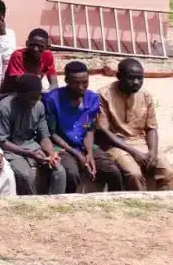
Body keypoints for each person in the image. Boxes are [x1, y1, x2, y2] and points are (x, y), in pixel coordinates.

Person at [45, 61, 123, 193]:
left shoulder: (92, 99)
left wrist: (90, 154)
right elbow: (52, 133)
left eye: (85, 82)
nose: (81, 87)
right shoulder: (53, 99)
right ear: (66, 80)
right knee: (71, 174)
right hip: (62, 146)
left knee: (112, 171)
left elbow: (88, 127)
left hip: (85, 144)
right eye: (76, 83)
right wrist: (76, 154)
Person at [96, 57, 173, 190]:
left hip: (140, 142)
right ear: (118, 76)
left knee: (168, 171)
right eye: (131, 78)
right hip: (115, 144)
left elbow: (151, 128)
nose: (136, 82)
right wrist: (134, 152)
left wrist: (153, 152)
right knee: (134, 173)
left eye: (140, 78)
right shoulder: (104, 94)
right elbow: (104, 131)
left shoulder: (145, 96)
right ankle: (140, 205)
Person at [0, 73, 65, 195]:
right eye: (30, 97)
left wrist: (51, 153)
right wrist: (29, 154)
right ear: (19, 93)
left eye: (36, 97)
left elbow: (44, 136)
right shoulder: (3, 108)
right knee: (25, 176)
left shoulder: (39, 106)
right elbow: (3, 142)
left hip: (33, 147)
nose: (33, 101)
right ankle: (34, 206)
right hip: (12, 151)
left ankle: (54, 205)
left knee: (59, 171)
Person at [1, 28, 58, 94]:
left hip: (34, 94)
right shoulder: (17, 56)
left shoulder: (48, 55)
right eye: (32, 45)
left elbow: (54, 84)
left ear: (46, 47)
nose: (35, 49)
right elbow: (24, 83)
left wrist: (48, 92)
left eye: (40, 46)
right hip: (13, 93)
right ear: (27, 43)